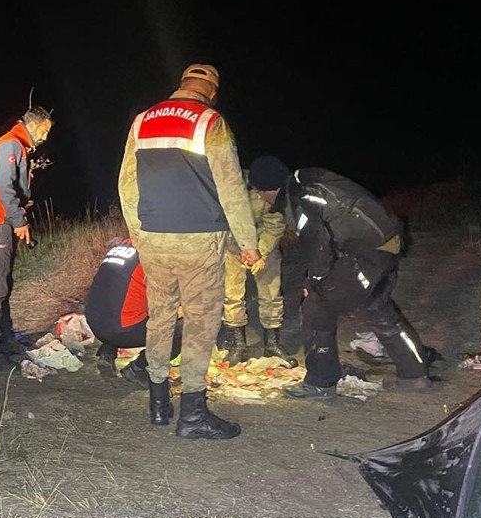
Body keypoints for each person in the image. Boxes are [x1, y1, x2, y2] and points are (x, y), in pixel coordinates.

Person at [117, 62, 260, 440]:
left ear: (180, 86)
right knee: (200, 322)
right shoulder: (210, 121)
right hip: (198, 239)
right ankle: (193, 414)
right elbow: (231, 188)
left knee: (160, 317)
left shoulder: (143, 121)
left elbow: (127, 187)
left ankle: (159, 404)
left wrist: (139, 234)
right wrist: (248, 244)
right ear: (212, 91)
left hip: (153, 239)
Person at [275, 162, 439, 399]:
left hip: (370, 250)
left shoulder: (299, 195)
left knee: (316, 304)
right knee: (377, 306)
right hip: (390, 239)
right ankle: (415, 375)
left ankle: (321, 382)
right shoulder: (309, 180)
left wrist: (314, 281)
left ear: (268, 189)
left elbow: (319, 246)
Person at [0, 104, 54, 371]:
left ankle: (6, 340)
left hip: (1, 222)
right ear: (33, 125)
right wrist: (18, 221)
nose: (45, 137)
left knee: (4, 285)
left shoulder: (17, 145)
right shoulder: (10, 144)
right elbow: (3, 185)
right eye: (45, 130)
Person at [216, 155, 294, 367]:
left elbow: (275, 224)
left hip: (263, 243)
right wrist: (241, 247)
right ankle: (237, 345)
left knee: (271, 293)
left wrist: (261, 252)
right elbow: (223, 218)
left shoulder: (275, 191)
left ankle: (272, 345)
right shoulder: (233, 185)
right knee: (232, 294)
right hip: (233, 244)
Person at [83, 237, 183, 387]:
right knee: (184, 328)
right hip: (122, 331)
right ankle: (137, 368)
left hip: (94, 322)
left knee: (121, 296)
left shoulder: (126, 243)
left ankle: (107, 351)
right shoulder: (160, 258)